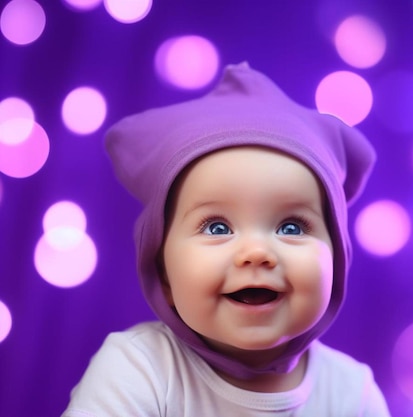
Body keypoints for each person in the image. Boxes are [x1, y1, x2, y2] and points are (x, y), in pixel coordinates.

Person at [63, 62, 390, 416]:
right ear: (163, 272)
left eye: (292, 227)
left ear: (337, 259)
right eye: (217, 228)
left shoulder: (353, 394)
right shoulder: (139, 372)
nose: (256, 252)